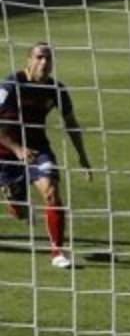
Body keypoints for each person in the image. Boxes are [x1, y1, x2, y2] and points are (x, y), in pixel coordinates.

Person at [0, 43, 93, 269]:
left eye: (49, 59)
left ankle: (57, 252)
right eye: (40, 57)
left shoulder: (56, 89)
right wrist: (17, 150)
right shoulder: (10, 85)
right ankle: (17, 202)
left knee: (52, 192)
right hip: (5, 150)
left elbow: (71, 123)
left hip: (38, 149)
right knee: (18, 211)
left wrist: (82, 156)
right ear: (28, 60)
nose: (45, 63)